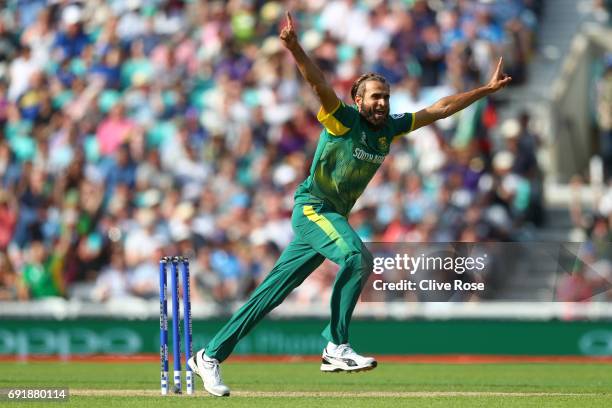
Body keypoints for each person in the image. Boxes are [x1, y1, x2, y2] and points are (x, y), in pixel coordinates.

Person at [188, 12, 511, 397]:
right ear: (358, 101)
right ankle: (335, 346)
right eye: (375, 97)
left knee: (269, 294)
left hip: (329, 218)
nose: (382, 103)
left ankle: (208, 355)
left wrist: (484, 91)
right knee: (358, 258)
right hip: (312, 210)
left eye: (385, 97)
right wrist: (294, 48)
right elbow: (317, 83)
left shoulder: (390, 127)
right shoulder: (342, 121)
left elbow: (439, 108)